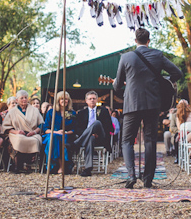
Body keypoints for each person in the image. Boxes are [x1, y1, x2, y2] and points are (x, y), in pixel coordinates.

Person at [113, 28, 183, 189]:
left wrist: (117, 83)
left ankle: (131, 175)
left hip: (132, 104)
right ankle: (148, 179)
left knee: (127, 140)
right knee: (150, 141)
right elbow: (177, 73)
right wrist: (164, 81)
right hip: (152, 104)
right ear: (148, 41)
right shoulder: (158, 55)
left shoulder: (126, 57)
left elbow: (117, 86)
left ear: (135, 40)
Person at [73, 91, 114, 176]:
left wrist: (96, 133)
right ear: (86, 100)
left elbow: (109, 127)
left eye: (94, 98)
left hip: (101, 137)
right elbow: (77, 128)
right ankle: (88, 169)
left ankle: (78, 142)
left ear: (97, 100)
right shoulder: (81, 113)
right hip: (88, 139)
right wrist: (90, 134)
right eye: (90, 99)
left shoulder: (103, 111)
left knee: (97, 123)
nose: (92, 100)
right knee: (90, 138)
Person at [2, 90, 44, 173]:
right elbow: (6, 127)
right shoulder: (12, 111)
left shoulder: (34, 110)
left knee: (35, 140)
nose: (24, 100)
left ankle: (29, 161)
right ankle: (17, 165)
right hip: (17, 133)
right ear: (17, 100)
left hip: (31, 133)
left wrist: (34, 132)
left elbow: (41, 124)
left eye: (25, 98)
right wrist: (16, 132)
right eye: (21, 98)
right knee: (19, 139)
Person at [42, 91, 75, 174]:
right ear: (58, 100)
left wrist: (66, 132)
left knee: (62, 139)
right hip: (52, 135)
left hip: (67, 135)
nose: (64, 101)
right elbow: (45, 128)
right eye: (62, 99)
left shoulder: (71, 113)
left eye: (66, 99)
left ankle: (62, 166)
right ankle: (56, 165)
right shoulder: (51, 112)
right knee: (54, 138)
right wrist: (55, 132)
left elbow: (75, 129)